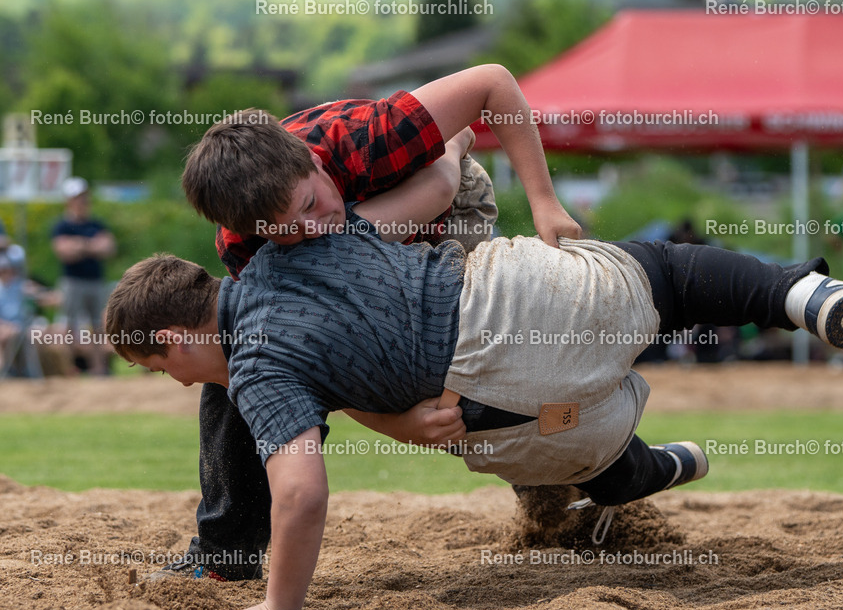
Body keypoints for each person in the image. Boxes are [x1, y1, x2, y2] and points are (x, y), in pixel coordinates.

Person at [105, 210, 843, 610]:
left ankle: (668, 463)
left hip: (517, 416)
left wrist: (279, 608)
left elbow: (300, 494)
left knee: (585, 460)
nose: (178, 384)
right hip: (532, 296)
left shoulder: (254, 364)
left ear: (176, 335)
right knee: (674, 271)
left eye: (160, 366)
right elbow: (437, 172)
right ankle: (811, 296)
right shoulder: (297, 238)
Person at [160, 64, 582, 582]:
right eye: (288, 231)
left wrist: (542, 201)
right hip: (396, 209)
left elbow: (493, 83)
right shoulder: (245, 247)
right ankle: (224, 555)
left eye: (311, 205)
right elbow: (307, 357)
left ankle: (581, 480)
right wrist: (396, 425)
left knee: (471, 363)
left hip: (442, 212)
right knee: (238, 364)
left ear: (316, 163)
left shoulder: (366, 137)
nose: (315, 229)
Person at [51, 177, 117, 375]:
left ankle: (99, 367)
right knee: (69, 326)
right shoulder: (62, 225)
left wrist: (79, 245)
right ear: (69, 200)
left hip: (95, 281)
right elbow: (64, 252)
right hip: (73, 282)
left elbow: (108, 248)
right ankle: (69, 368)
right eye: (77, 198)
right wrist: (92, 246)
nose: (82, 201)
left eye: (83, 197)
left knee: (98, 326)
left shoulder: (97, 224)